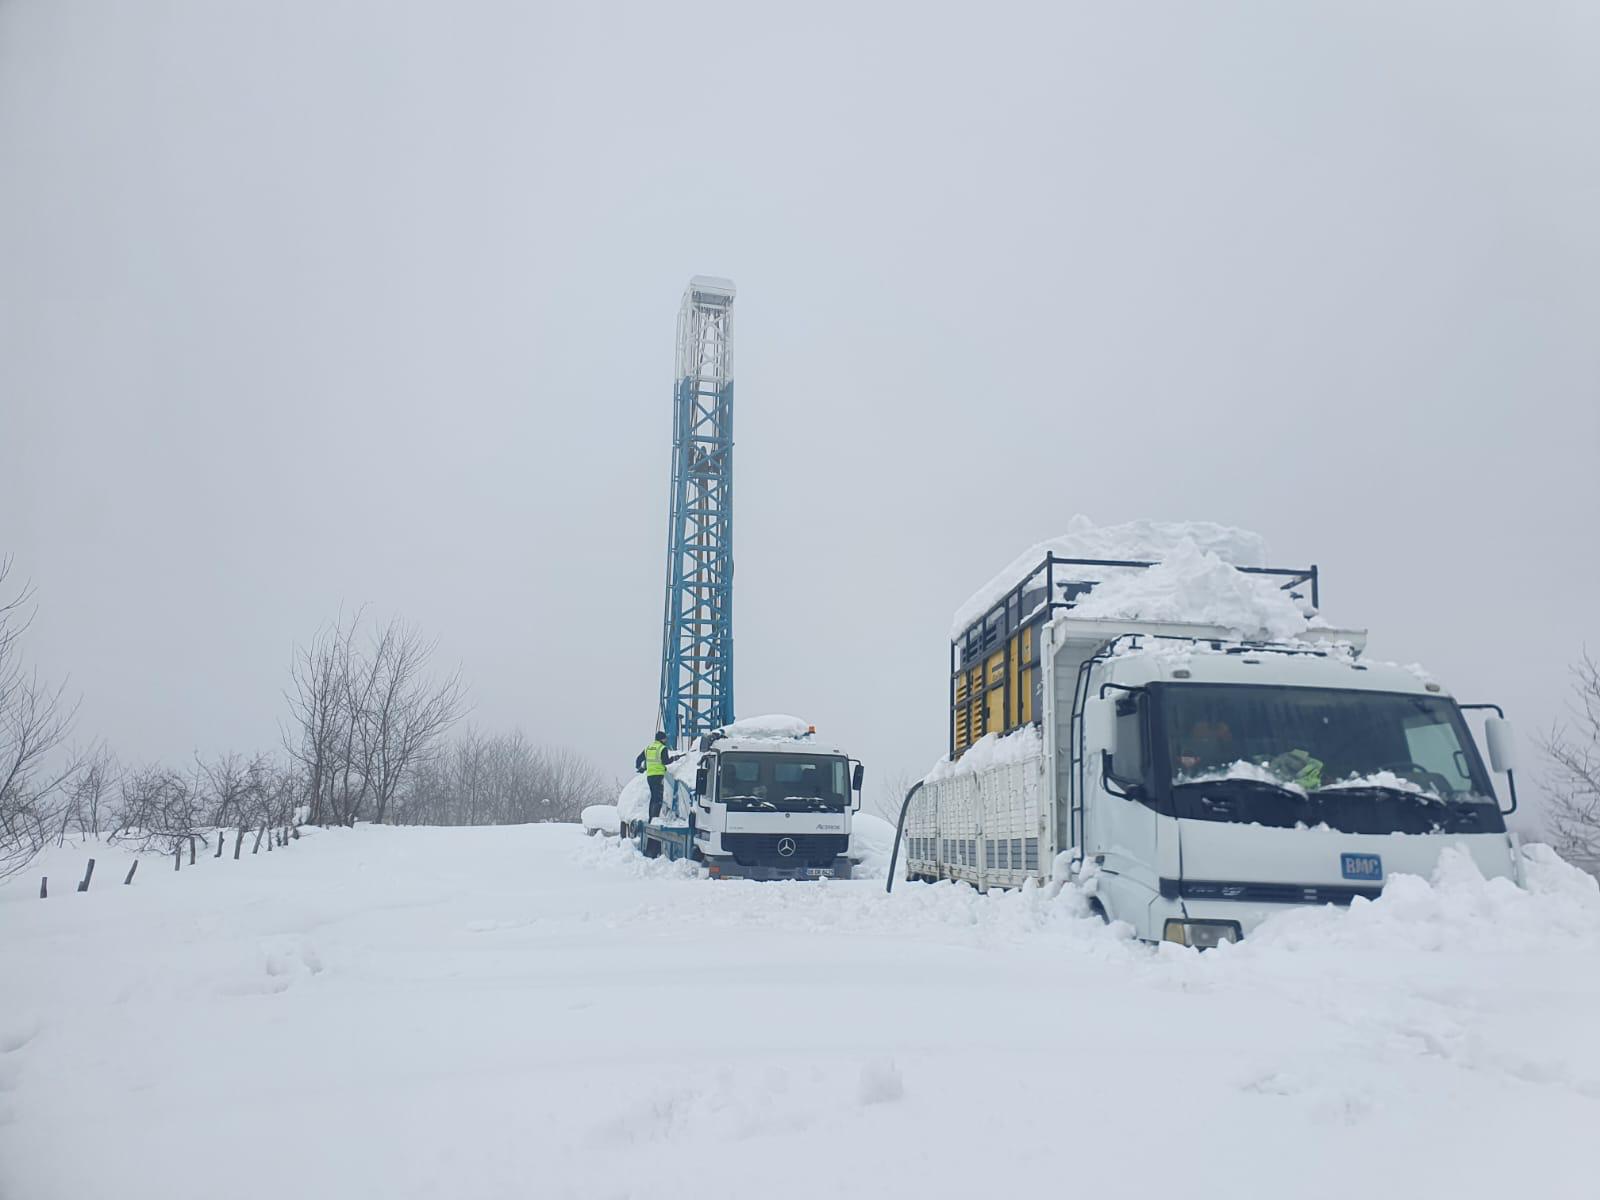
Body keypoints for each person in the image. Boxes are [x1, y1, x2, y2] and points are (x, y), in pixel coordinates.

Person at [635, 731, 673, 820]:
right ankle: (654, 819)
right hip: (658, 776)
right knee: (658, 798)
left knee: (653, 798)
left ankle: (651, 818)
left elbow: (638, 759)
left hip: (650, 776)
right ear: (661, 739)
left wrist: (639, 767)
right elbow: (665, 761)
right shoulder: (662, 748)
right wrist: (673, 759)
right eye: (665, 739)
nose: (666, 740)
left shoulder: (648, 748)